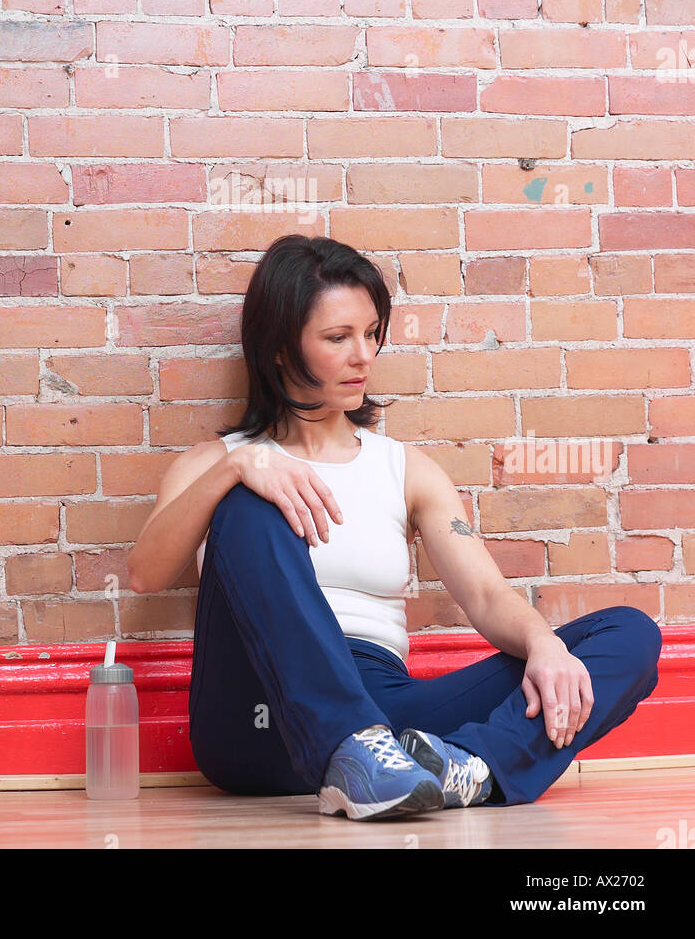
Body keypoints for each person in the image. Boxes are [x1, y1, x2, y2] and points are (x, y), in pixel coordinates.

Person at [128, 234, 663, 822]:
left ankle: (469, 771)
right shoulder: (217, 464)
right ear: (280, 348)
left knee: (629, 636)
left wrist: (544, 644)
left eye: (371, 334)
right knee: (252, 504)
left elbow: (485, 595)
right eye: (338, 338)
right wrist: (240, 467)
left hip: (387, 718)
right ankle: (353, 750)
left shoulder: (407, 470)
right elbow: (145, 574)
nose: (364, 356)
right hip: (257, 716)